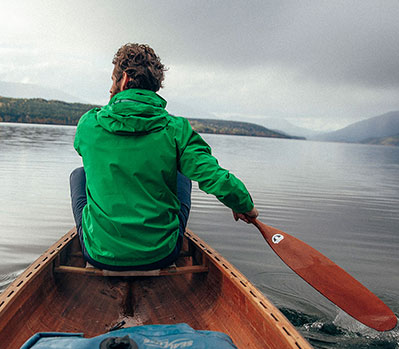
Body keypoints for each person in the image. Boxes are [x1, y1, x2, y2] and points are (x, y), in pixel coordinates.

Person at [70, 43, 258, 271]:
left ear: (124, 81)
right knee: (182, 176)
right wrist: (243, 204)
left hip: (99, 254)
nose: (110, 89)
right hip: (161, 254)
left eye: (112, 80)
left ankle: (103, 238)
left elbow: (83, 150)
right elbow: (212, 174)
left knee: (79, 174)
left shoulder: (89, 124)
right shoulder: (176, 129)